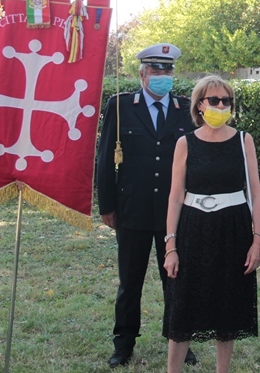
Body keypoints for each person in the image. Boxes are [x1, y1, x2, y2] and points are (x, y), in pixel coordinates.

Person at [96, 43, 197, 368]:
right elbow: (105, 157)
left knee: (175, 280)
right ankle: (123, 343)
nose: (162, 76)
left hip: (174, 212)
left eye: (167, 70)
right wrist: (107, 205)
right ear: (142, 75)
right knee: (130, 282)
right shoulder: (121, 106)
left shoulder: (185, 108)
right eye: (155, 70)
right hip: (132, 209)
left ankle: (180, 340)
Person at [163, 75, 260, 373]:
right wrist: (170, 246)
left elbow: (256, 193)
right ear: (200, 105)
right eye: (214, 100)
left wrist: (257, 239)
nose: (221, 106)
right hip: (193, 230)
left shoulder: (244, 140)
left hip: (233, 231)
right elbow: (175, 197)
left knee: (227, 307)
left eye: (226, 100)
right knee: (182, 308)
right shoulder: (185, 143)